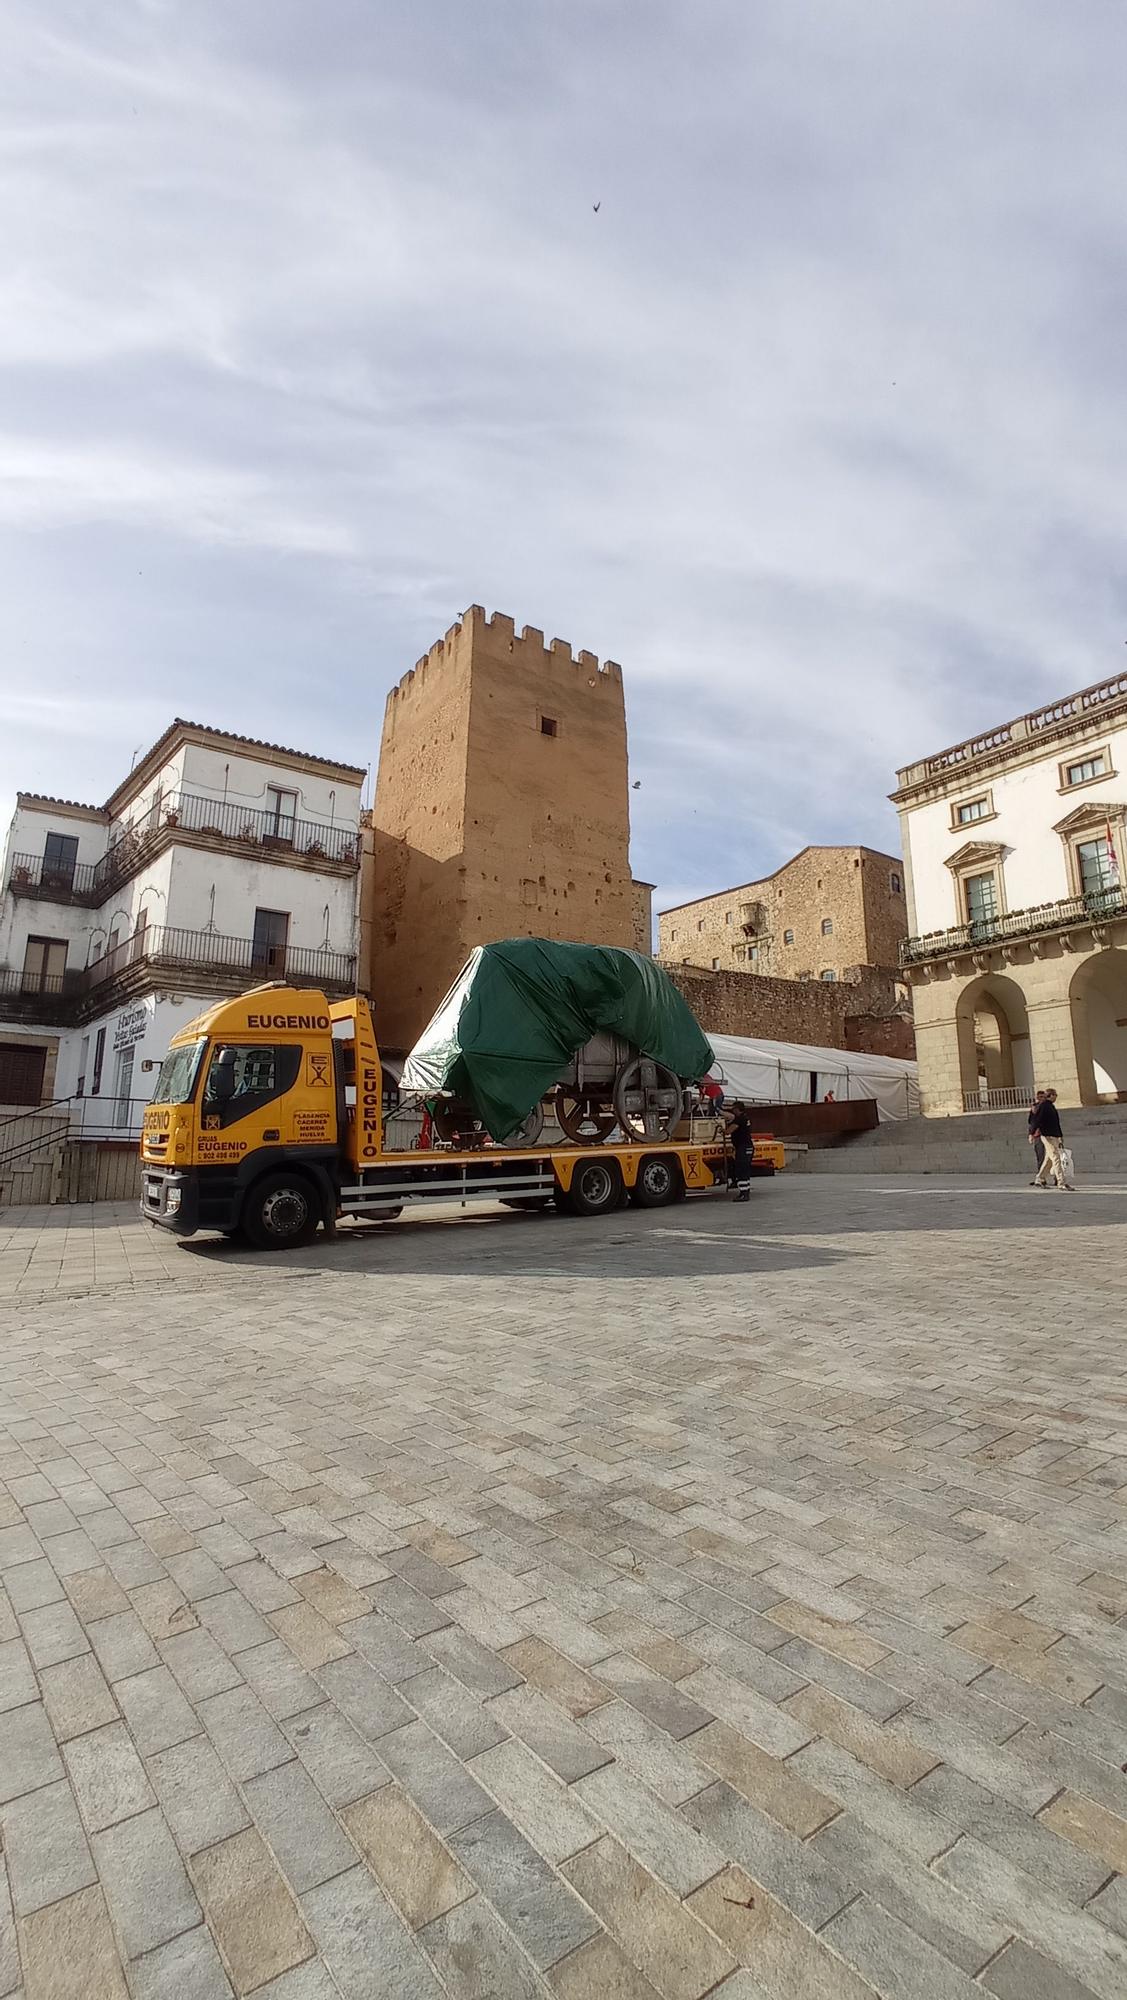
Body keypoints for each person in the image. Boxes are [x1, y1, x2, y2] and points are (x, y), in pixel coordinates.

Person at [1031, 1089, 1073, 1190]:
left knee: (1049, 1159)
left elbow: (1056, 1123)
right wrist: (1032, 1133)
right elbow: (1037, 1120)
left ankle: (1040, 1178)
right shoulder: (1044, 1106)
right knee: (1056, 1157)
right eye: (1055, 1096)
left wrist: (1060, 1136)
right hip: (1047, 1135)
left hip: (1053, 1135)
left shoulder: (1051, 1107)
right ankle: (1061, 1182)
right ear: (1051, 1095)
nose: (1056, 1098)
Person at [727, 1101, 755, 1202]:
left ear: (737, 1109)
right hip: (747, 1147)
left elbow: (729, 1131)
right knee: (744, 1170)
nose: (733, 1111)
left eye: (734, 1109)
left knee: (741, 1170)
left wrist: (723, 1130)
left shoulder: (740, 1119)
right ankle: (745, 1192)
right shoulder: (745, 1118)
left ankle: (744, 1194)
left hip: (743, 1148)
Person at [1027, 1089, 1046, 1172]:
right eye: (1039, 1097)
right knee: (1040, 1156)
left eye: (1042, 1097)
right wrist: (1031, 1134)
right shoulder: (1034, 1107)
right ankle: (1041, 1177)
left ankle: (1055, 1177)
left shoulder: (1047, 1107)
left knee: (1052, 1157)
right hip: (1038, 1134)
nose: (1041, 1099)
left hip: (1047, 1134)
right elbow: (1032, 1122)